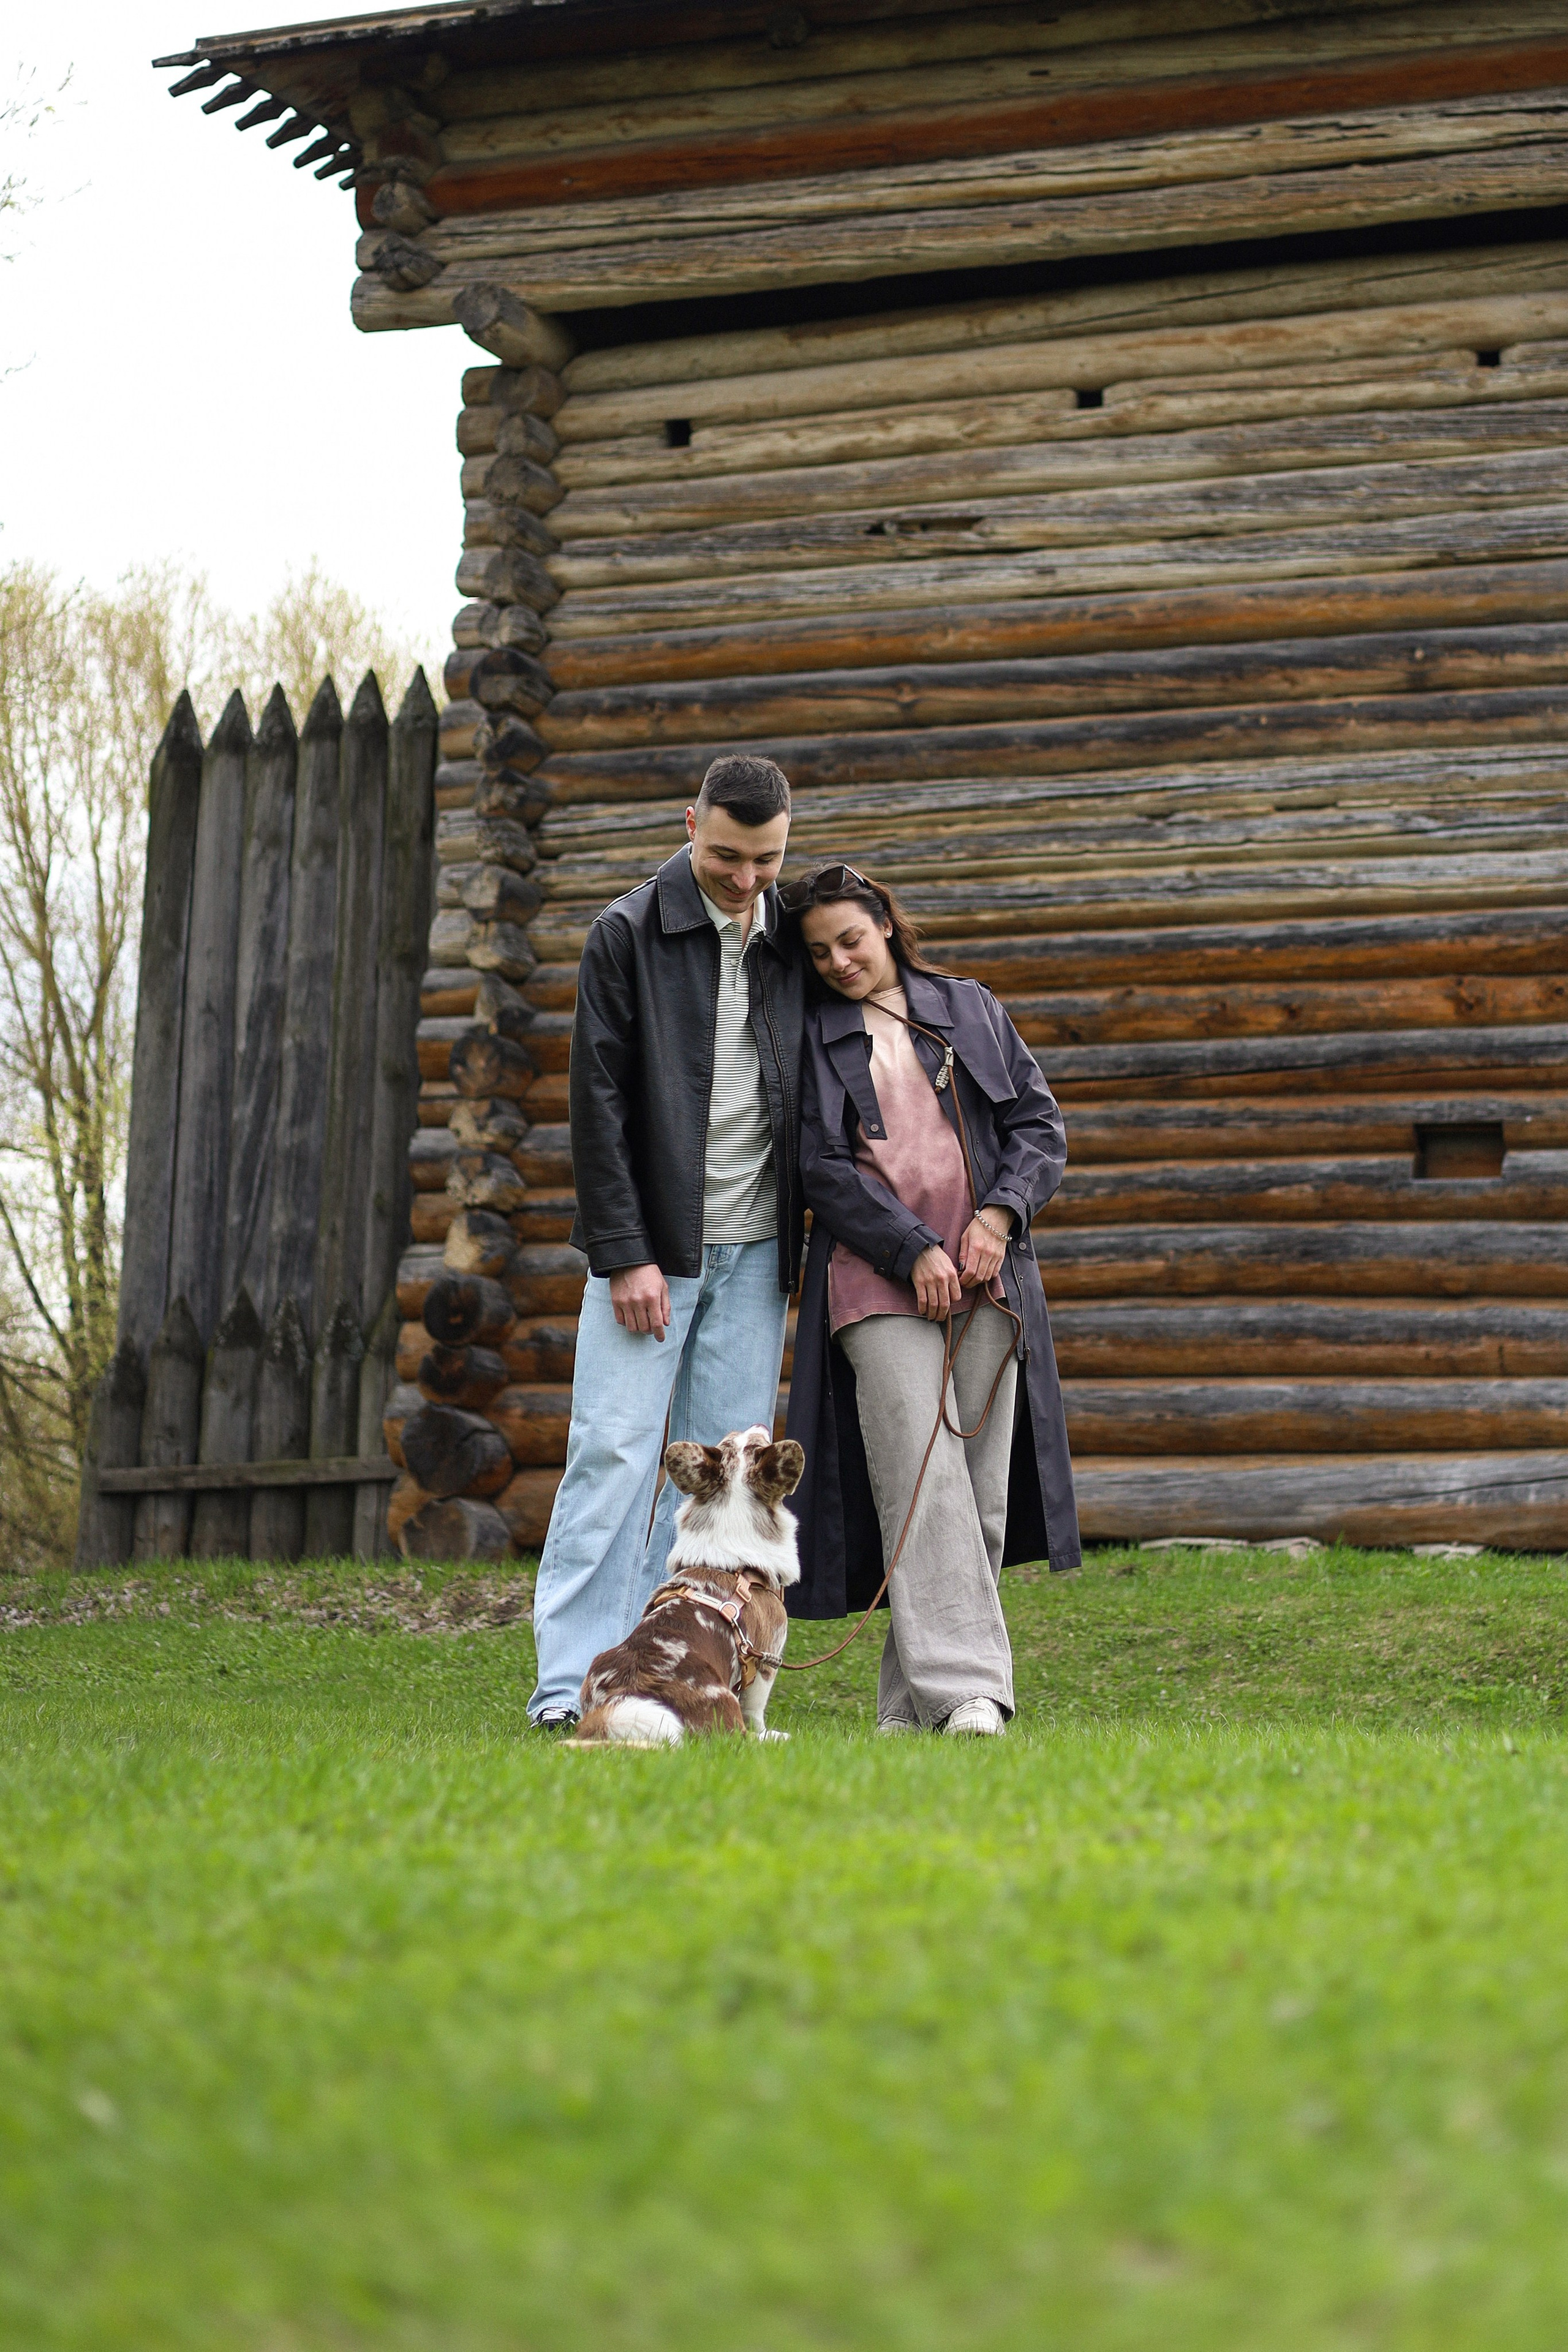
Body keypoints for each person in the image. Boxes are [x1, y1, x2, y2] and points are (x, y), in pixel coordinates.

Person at [527, 755, 805, 1727]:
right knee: (610, 1456)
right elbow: (596, 1107)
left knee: (716, 1501)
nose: (744, 880)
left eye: (765, 861)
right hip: (653, 1255)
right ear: (689, 823)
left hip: (761, 1250)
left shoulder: (793, 936)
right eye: (726, 856)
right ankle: (573, 1688)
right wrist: (625, 1252)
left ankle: (680, 1682)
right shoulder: (626, 933)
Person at [782, 862, 1080, 1736]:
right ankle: (972, 1696)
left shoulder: (971, 1009)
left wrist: (998, 1216)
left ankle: (911, 1708)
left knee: (977, 1498)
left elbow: (1038, 1126)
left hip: (991, 1278)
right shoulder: (811, 1037)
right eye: (820, 951)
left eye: (852, 939)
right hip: (874, 1284)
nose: (839, 961)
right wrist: (910, 1246)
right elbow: (821, 1171)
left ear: (885, 925)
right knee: (923, 1479)